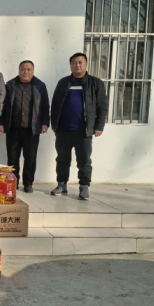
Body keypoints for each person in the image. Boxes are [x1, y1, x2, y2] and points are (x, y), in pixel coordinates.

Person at [50, 53, 108, 200]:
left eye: (80, 62)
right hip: (63, 130)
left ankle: (84, 187)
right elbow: (55, 104)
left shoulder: (95, 83)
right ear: (70, 65)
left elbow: (102, 107)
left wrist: (99, 126)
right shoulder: (63, 82)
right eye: (74, 62)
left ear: (86, 64)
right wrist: (54, 125)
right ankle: (61, 185)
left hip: (84, 131)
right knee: (62, 160)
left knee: (84, 161)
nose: (77, 65)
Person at [0, 61, 50, 193]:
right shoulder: (10, 85)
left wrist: (45, 122)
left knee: (30, 158)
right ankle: (13, 182)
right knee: (12, 157)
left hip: (32, 129)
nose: (25, 72)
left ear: (33, 71)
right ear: (19, 70)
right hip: (13, 128)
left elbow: (45, 106)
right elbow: (3, 105)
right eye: (23, 69)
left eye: (28, 69)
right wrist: (1, 122)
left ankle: (28, 183)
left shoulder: (40, 86)